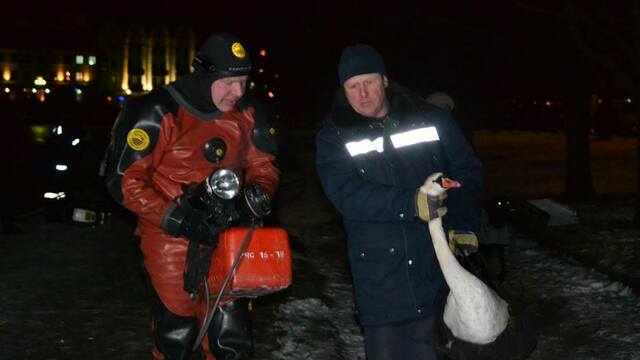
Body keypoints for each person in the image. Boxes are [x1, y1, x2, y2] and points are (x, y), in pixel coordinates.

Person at [103, 32, 280, 359]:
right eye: (228, 83)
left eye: (243, 81)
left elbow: (263, 166)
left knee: (231, 336)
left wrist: (255, 197)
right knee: (178, 335)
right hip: (169, 237)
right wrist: (177, 218)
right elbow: (125, 180)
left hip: (228, 234)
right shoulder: (158, 110)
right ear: (205, 75)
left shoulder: (248, 113)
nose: (237, 92)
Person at [315, 44, 483, 359]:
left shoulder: (430, 119)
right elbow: (346, 194)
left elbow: (464, 172)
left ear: (385, 80)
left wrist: (461, 220)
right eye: (353, 86)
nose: (363, 94)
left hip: (436, 272)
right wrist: (411, 202)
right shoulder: (333, 137)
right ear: (343, 89)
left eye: (369, 83)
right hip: (380, 283)